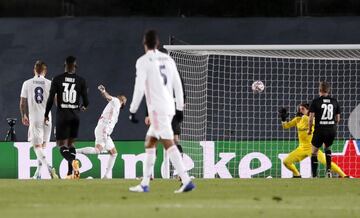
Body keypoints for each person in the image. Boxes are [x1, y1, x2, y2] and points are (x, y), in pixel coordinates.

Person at [128, 30, 195, 193]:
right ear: (157, 44)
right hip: (169, 108)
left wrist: (133, 109)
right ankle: (145, 183)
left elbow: (139, 87)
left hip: (157, 109)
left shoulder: (143, 61)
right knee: (150, 141)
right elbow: (178, 85)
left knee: (168, 142)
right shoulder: (168, 59)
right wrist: (179, 108)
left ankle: (186, 180)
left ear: (145, 43)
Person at [45, 56, 89, 179]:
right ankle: (71, 173)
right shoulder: (81, 80)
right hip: (75, 117)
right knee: (71, 144)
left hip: (62, 116)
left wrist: (46, 114)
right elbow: (86, 102)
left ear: (65, 65)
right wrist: (83, 107)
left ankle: (73, 162)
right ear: (75, 66)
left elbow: (50, 99)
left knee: (61, 145)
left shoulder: (57, 79)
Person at [279, 103, 348, 178]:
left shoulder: (313, 119)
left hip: (313, 147)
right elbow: (286, 126)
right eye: (299, 109)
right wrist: (283, 119)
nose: (300, 110)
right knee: (286, 162)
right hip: (301, 148)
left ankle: (343, 175)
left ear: (308, 110)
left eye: (303, 109)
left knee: (326, 162)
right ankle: (297, 175)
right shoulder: (297, 119)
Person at [76, 85, 127, 179]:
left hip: (105, 131)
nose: (123, 98)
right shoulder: (115, 101)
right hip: (104, 129)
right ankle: (74, 152)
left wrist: (104, 93)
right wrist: (103, 91)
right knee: (97, 151)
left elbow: (108, 99)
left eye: (124, 99)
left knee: (114, 153)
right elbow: (108, 97)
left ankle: (106, 176)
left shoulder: (115, 105)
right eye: (124, 98)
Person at [20, 60, 58, 179]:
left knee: (37, 147)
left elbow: (22, 103)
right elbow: (57, 102)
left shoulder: (27, 83)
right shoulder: (50, 83)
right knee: (43, 147)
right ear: (45, 71)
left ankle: (49, 167)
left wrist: (23, 115)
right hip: (47, 118)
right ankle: (38, 174)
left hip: (35, 118)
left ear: (34, 70)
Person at [308, 81, 341, 178]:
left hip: (320, 130)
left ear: (320, 90)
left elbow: (310, 119)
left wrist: (309, 130)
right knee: (328, 148)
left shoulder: (315, 101)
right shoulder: (335, 101)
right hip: (331, 130)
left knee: (314, 152)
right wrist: (331, 124)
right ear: (328, 91)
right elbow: (338, 119)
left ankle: (314, 175)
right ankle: (329, 172)